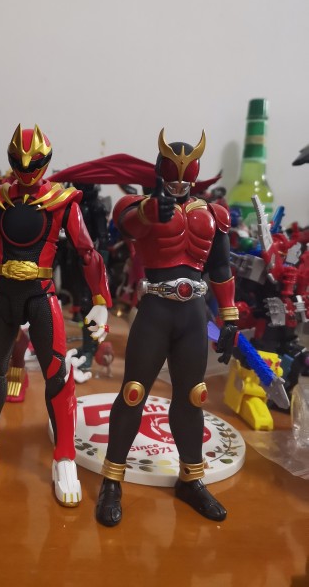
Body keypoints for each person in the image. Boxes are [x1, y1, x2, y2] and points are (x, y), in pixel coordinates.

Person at [0, 125, 112, 506]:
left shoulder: (61, 200)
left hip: (41, 294)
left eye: (32, 164)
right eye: (18, 164)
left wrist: (101, 300)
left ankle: (64, 456)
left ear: (45, 162)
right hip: (4, 293)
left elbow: (88, 253)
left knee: (57, 374)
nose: (25, 171)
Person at [95, 129, 238, 526]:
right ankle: (112, 479)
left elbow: (221, 267)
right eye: (171, 173)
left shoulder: (213, 214)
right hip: (156, 309)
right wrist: (149, 211)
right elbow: (127, 225)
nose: (178, 182)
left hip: (193, 313)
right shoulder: (140, 206)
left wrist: (229, 316)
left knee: (193, 396)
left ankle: (191, 478)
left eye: (184, 174)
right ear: (159, 171)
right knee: (133, 392)